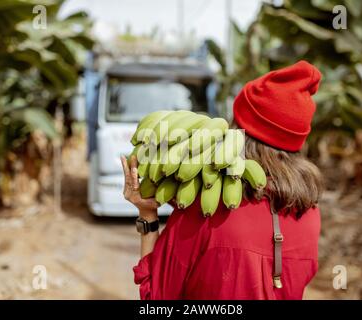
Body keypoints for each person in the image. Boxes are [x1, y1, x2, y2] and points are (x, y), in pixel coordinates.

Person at [121, 60, 323, 300]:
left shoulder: (207, 208)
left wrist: (148, 217)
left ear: (239, 132)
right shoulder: (309, 212)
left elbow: (157, 297)